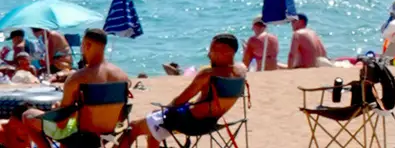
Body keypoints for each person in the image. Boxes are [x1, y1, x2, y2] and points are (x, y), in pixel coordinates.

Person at [0, 28, 127, 148]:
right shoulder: (122, 76)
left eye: (82, 46)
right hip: (108, 134)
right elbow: (122, 114)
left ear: (87, 46)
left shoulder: (78, 78)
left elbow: (62, 122)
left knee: (28, 115)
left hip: (79, 134)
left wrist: (57, 107)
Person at [116, 34, 244, 148]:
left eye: (213, 51)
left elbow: (179, 101)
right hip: (210, 122)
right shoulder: (241, 72)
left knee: (134, 126)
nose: (208, 54)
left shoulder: (208, 74)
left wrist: (166, 108)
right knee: (155, 122)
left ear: (228, 52)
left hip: (189, 123)